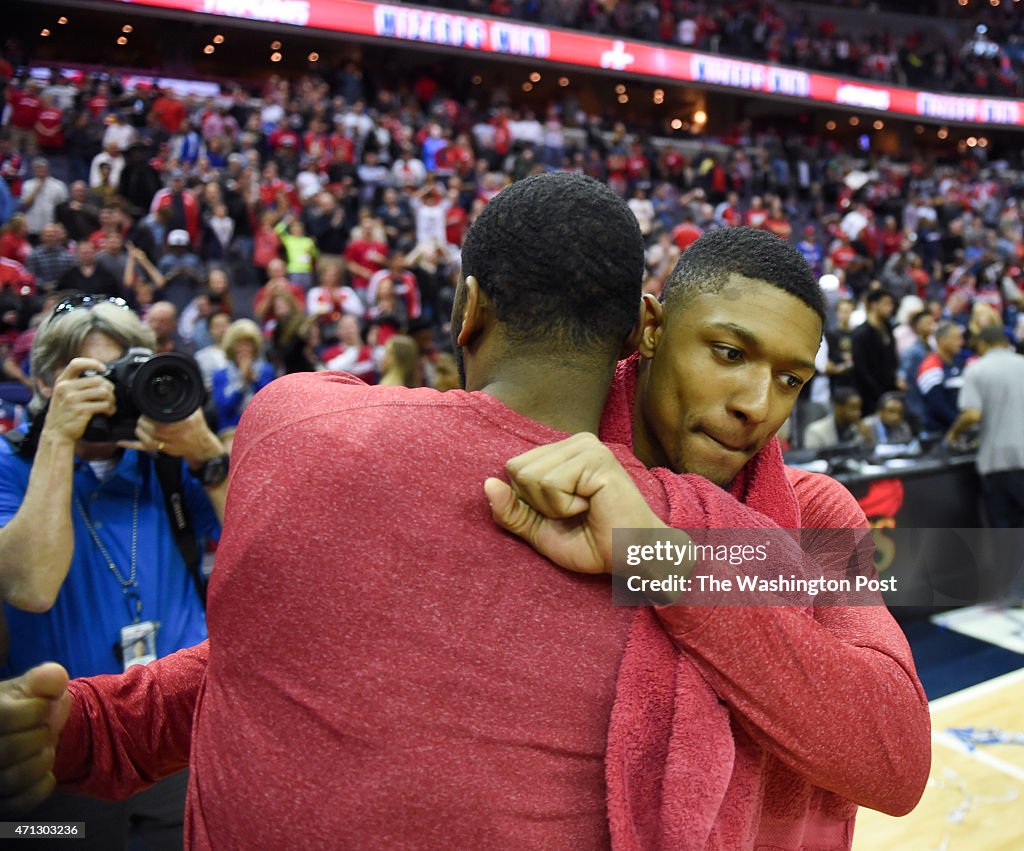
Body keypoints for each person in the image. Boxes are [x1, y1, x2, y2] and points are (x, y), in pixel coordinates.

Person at [0, 184, 928, 848]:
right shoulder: (499, 461)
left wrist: (664, 554)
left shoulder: (810, 512)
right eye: (729, 353)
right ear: (650, 327)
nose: (756, 403)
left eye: (791, 378)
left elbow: (894, 751)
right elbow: (311, 650)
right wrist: (104, 726)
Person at [0, 294, 229, 848]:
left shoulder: (167, 465)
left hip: (178, 738)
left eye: (124, 374)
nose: (110, 394)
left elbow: (268, 553)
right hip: (57, 750)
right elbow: (30, 585)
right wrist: (56, 437)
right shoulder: (10, 466)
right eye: (91, 376)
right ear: (45, 383)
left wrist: (206, 452)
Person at [947, 325, 1024, 527]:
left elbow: (972, 414)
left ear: (982, 344)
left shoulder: (977, 369)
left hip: (999, 461)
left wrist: (953, 433)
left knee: (1005, 531)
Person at [851, 287, 898, 416]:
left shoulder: (888, 327)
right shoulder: (861, 334)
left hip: (890, 392)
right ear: (874, 305)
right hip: (869, 396)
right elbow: (861, 369)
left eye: (891, 304)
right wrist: (878, 392)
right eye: (886, 304)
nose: (890, 308)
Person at [916, 320, 966, 434]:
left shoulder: (958, 362)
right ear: (942, 340)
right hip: (939, 433)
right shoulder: (930, 366)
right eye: (957, 338)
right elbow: (937, 405)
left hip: (958, 430)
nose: (961, 342)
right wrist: (960, 424)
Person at [804, 387, 868, 450]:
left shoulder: (858, 429)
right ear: (838, 408)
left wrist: (867, 439)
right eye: (853, 408)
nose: (858, 413)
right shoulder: (815, 431)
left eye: (859, 408)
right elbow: (814, 458)